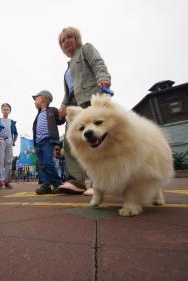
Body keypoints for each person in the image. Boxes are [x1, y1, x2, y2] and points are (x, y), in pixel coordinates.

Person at [57, 26, 112, 194]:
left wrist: (103, 77)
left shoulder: (86, 49)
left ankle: (100, 183)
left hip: (89, 99)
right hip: (73, 106)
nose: (66, 42)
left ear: (76, 38)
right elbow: (69, 91)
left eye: (69, 38)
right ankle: (77, 182)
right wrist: (63, 105)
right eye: (62, 41)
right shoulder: (67, 67)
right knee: (71, 142)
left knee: (96, 140)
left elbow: (98, 63)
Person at [32, 90, 66, 194]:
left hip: (48, 140)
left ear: (42, 98)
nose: (34, 101)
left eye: (36, 98)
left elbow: (60, 121)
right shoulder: (38, 115)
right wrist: (35, 144)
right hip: (39, 143)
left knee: (48, 162)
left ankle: (57, 184)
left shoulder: (52, 110)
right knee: (42, 165)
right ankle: (46, 185)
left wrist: (62, 115)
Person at [0, 103, 18, 189]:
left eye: (7, 109)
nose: (5, 111)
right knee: (0, 161)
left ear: (10, 111)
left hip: (9, 141)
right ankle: (0, 181)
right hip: (1, 141)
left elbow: (15, 133)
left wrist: (13, 141)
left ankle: (6, 181)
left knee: (8, 161)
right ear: (1, 110)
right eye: (4, 109)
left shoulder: (12, 122)